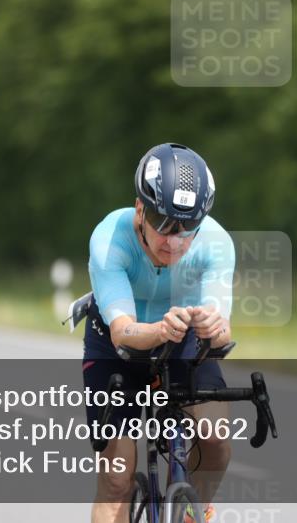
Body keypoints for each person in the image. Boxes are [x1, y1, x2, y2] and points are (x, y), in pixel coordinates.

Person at [84, 143, 235, 523]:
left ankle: (190, 511)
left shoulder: (216, 244)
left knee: (216, 438)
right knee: (117, 478)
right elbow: (123, 332)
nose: (174, 240)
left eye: (187, 228)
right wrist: (159, 329)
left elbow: (221, 330)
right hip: (117, 346)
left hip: (182, 338)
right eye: (163, 223)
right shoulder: (109, 239)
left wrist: (214, 327)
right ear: (139, 209)